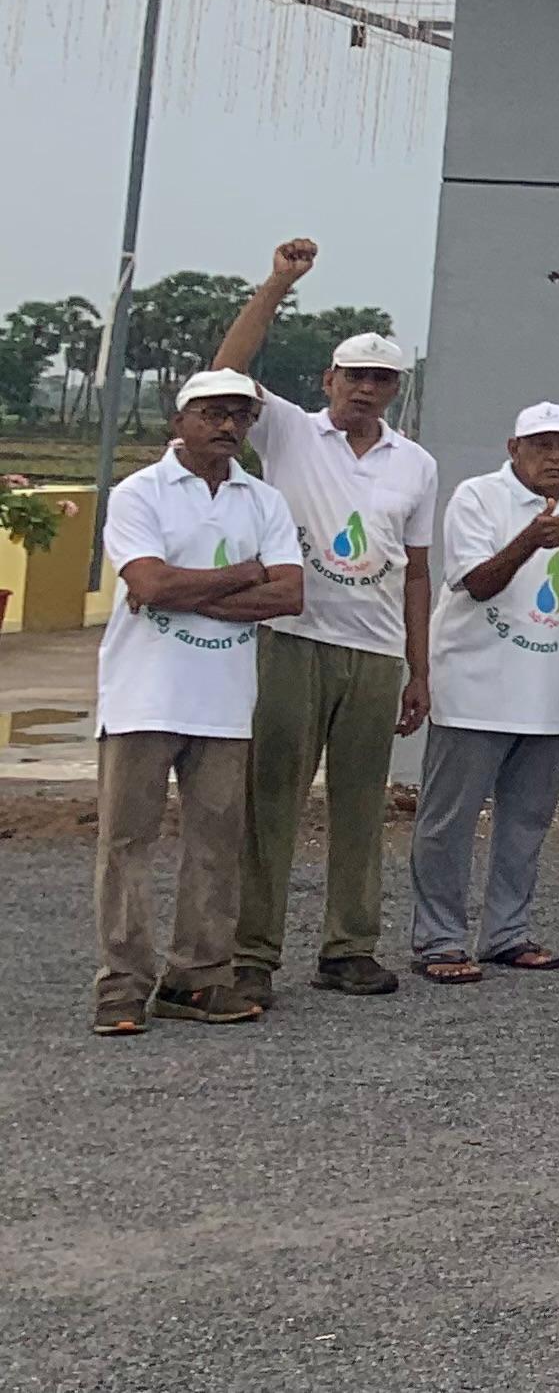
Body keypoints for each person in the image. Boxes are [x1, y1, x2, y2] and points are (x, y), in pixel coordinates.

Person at [214, 239, 440, 1005]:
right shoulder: (288, 431)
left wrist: (419, 668)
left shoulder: (415, 463)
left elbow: (416, 570)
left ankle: (349, 947)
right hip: (293, 640)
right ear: (328, 379)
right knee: (271, 801)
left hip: (373, 652)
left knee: (360, 806)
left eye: (382, 379)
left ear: (397, 387)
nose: (367, 389)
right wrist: (278, 283)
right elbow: (228, 371)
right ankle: (252, 953)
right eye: (355, 376)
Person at [90, 371, 303, 1034]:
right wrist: (244, 573)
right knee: (128, 845)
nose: (228, 426)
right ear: (179, 420)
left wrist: (187, 591)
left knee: (216, 845)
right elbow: (149, 582)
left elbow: (290, 595)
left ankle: (198, 978)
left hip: (224, 702)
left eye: (241, 416)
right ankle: (122, 985)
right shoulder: (139, 494)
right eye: (213, 413)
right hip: (143, 697)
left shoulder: (263, 500)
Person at [412, 403, 559, 984]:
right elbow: (476, 582)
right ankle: (439, 940)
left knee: (526, 822)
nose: (555, 457)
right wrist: (528, 541)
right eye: (541, 445)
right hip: (475, 690)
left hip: (545, 694)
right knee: (449, 822)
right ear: (514, 448)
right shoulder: (477, 497)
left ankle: (506, 933)